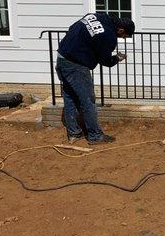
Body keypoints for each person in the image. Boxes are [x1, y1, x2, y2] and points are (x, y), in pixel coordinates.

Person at [56, 12, 135, 144]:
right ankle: (94, 136)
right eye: (124, 36)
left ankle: (73, 133)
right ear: (120, 29)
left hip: (61, 58)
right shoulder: (108, 36)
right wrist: (117, 58)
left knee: (70, 97)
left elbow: (72, 28)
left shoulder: (97, 16)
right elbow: (106, 61)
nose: (123, 38)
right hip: (76, 66)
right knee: (87, 100)